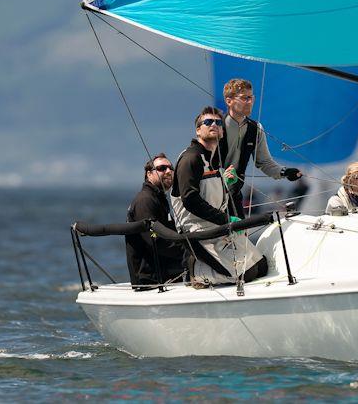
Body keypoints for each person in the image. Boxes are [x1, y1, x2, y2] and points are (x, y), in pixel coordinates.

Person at [171, 106, 268, 287]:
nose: (213, 125)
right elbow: (190, 200)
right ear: (198, 130)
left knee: (261, 266)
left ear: (222, 131)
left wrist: (225, 185)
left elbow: (208, 193)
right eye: (207, 122)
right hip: (198, 232)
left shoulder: (215, 160)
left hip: (217, 228)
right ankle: (196, 272)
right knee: (246, 273)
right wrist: (227, 220)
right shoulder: (191, 158)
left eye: (218, 122)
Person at [219, 78, 303, 217]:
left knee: (240, 237)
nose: (250, 102)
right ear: (229, 101)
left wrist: (285, 172)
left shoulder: (255, 128)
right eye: (245, 98)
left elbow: (264, 162)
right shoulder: (215, 126)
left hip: (234, 194)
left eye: (251, 98)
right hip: (211, 195)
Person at [126, 153, 185, 290]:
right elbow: (154, 239)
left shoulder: (158, 198)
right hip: (151, 280)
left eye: (171, 168)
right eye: (162, 168)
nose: (169, 171)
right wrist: (187, 250)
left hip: (166, 273)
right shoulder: (145, 200)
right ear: (149, 174)